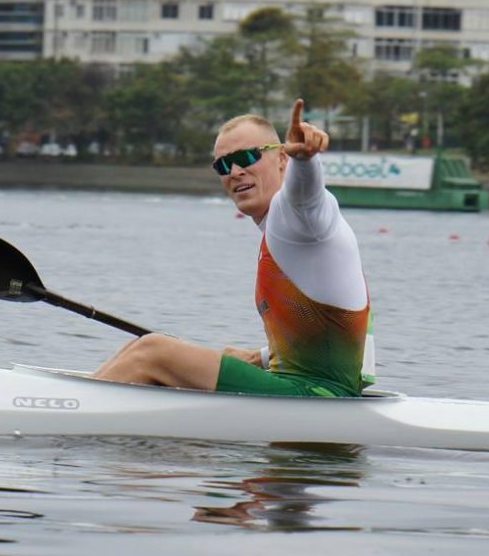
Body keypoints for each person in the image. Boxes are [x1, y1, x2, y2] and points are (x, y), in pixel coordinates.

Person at [92, 99, 369, 397]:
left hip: (316, 397)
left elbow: (307, 198)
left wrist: (306, 161)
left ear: (281, 160)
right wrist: (259, 357)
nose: (234, 171)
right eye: (223, 164)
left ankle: (71, 409)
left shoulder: (298, 217)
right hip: (310, 387)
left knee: (152, 350)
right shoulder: (288, 234)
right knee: (138, 347)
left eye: (247, 157)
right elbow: (354, 350)